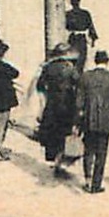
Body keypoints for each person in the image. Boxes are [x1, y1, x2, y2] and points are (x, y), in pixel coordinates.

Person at [76, 49, 109, 194]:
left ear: (95, 61)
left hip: (88, 119)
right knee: (102, 152)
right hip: (106, 119)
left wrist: (77, 120)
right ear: (107, 61)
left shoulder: (85, 77)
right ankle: (96, 184)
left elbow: (78, 102)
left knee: (88, 150)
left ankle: (87, 179)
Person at [35, 43, 80, 176]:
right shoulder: (70, 68)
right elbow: (78, 84)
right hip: (66, 103)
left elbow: (40, 86)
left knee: (52, 131)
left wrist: (43, 100)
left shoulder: (48, 67)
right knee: (63, 132)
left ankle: (54, 159)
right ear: (66, 54)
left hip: (52, 102)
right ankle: (60, 162)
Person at [64, 0, 98, 69]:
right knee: (80, 59)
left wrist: (93, 39)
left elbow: (90, 26)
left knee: (76, 59)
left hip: (74, 38)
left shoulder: (68, 14)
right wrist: (93, 39)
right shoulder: (84, 13)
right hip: (78, 38)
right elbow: (91, 27)